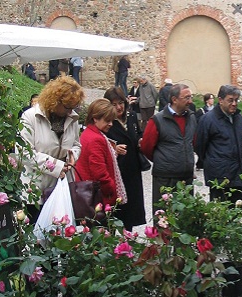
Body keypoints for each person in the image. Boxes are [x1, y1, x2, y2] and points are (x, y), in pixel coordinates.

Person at [19, 76, 84, 223]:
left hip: (62, 188)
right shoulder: (30, 117)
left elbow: (76, 144)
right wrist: (58, 166)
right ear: (55, 101)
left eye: (73, 107)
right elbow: (24, 153)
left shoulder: (72, 118)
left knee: (61, 237)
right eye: (67, 107)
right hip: (35, 191)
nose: (70, 111)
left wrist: (73, 155)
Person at [141, 84, 196, 214]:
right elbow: (146, 147)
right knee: (164, 217)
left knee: (186, 217)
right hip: (165, 178)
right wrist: (164, 160)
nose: (190, 101)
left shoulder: (191, 117)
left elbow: (192, 142)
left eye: (191, 97)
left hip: (186, 177)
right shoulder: (157, 120)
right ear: (174, 99)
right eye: (186, 98)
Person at [195, 85, 242, 205]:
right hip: (219, 174)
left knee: (238, 212)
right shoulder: (208, 120)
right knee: (220, 213)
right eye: (230, 100)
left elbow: (241, 141)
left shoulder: (239, 118)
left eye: (236, 100)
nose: (234, 103)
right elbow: (199, 146)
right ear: (221, 100)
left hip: (238, 173)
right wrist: (214, 161)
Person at [104, 87, 146, 230]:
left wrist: (140, 140)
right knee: (117, 207)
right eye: (113, 104)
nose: (118, 107)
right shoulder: (106, 122)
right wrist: (113, 148)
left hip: (133, 167)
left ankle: (127, 237)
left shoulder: (132, 116)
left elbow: (139, 133)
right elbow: (101, 142)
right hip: (117, 169)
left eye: (120, 102)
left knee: (132, 205)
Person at [75, 98, 127, 207]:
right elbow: (99, 172)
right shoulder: (96, 139)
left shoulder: (87, 133)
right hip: (97, 196)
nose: (111, 124)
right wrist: (111, 188)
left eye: (112, 120)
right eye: (107, 120)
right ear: (95, 119)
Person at [194, 93, 215, 170]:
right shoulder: (201, 111)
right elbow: (196, 121)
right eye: (211, 98)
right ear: (207, 100)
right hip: (204, 132)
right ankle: (200, 163)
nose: (212, 100)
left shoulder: (215, 110)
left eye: (213, 98)